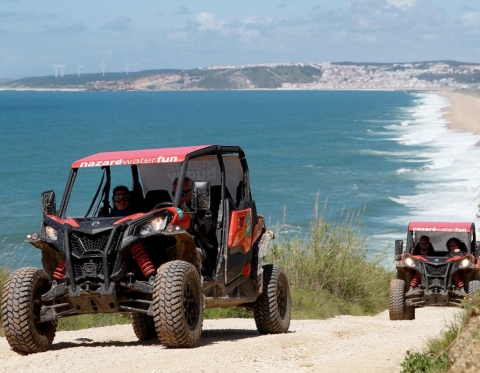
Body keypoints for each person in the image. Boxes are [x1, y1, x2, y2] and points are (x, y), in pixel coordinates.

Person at [172, 177, 217, 273]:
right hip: (177, 246)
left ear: (193, 191)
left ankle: (194, 285)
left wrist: (193, 218)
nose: (179, 197)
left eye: (182, 193)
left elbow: (208, 230)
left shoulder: (202, 206)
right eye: (175, 194)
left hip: (199, 247)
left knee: (188, 256)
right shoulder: (174, 207)